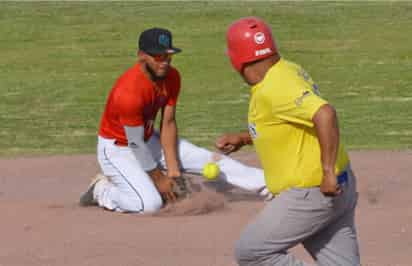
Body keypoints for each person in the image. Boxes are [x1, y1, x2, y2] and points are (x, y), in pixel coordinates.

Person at [216, 17, 360, 265]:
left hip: (313, 193)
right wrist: (244, 138)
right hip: (340, 186)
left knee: (252, 252)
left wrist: (327, 172)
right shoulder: (287, 69)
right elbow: (290, 123)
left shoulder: (275, 87)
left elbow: (324, 114)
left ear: (235, 59)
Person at [79, 27, 269, 213]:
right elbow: (134, 143)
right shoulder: (129, 92)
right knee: (148, 204)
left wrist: (173, 171)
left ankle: (270, 185)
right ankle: (101, 190)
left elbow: (168, 123)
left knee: (209, 160)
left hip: (148, 140)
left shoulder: (172, 77)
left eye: (168, 56)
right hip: (118, 150)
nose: (165, 62)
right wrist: (158, 178)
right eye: (158, 56)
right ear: (141, 55)